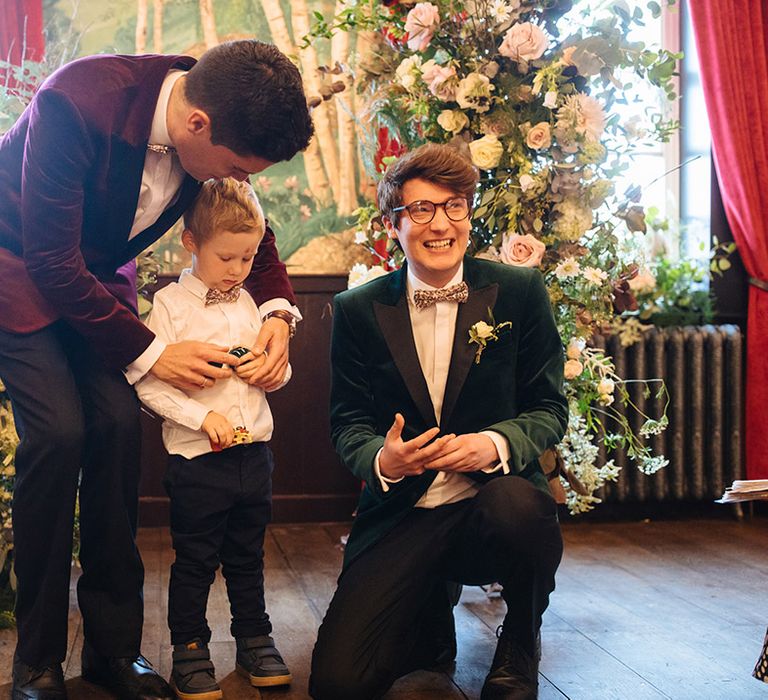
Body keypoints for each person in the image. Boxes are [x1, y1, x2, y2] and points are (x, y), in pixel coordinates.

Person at [0, 40, 313, 700]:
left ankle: (115, 653)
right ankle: (36, 661)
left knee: (117, 424)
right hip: (20, 270)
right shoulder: (75, 100)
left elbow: (253, 234)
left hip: (91, 281)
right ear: (197, 125)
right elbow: (52, 263)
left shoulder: (218, 113)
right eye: (233, 166)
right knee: (58, 435)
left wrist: (280, 314)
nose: (238, 179)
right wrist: (151, 353)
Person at [310, 143, 568, 700]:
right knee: (338, 684)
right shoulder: (358, 310)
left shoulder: (519, 293)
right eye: (422, 210)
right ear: (394, 224)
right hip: (405, 511)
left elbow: (548, 408)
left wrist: (494, 443)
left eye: (455, 207)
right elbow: (348, 422)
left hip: (489, 503)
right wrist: (384, 458)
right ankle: (430, 624)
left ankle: (520, 641)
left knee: (521, 507)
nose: (441, 224)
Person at [136, 179, 292, 699]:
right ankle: (189, 649)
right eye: (227, 256)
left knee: (248, 556)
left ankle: (254, 639)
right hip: (199, 463)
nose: (238, 269)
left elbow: (279, 371)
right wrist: (202, 418)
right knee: (196, 561)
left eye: (248, 257)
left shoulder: (253, 302)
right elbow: (149, 384)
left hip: (255, 457)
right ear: (191, 242)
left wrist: (273, 373)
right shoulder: (171, 306)